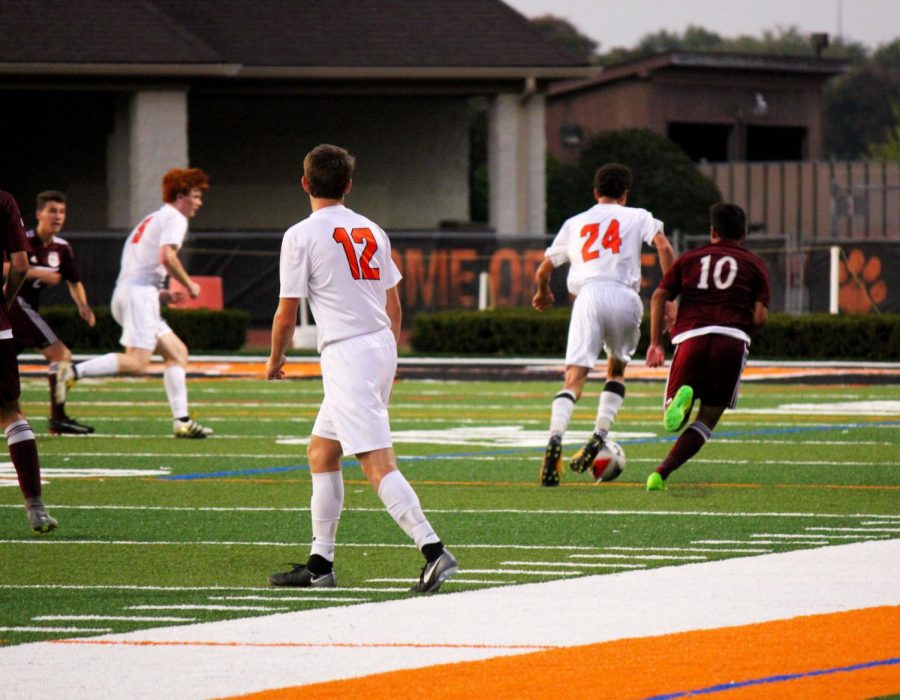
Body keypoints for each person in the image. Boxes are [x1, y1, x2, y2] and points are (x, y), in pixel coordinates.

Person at [266, 144, 457, 592]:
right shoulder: (372, 229)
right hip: (377, 347)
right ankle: (320, 565)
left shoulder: (301, 234)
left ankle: (433, 550)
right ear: (348, 186)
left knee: (376, 462)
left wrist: (275, 357)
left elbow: (286, 312)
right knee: (322, 452)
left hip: (348, 353)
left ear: (304, 183)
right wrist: (385, 357)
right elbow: (394, 304)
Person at [533, 163, 674, 487]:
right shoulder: (637, 215)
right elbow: (664, 247)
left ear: (595, 193)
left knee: (574, 380)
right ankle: (598, 436)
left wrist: (543, 293)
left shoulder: (575, 223)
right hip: (625, 296)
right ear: (625, 195)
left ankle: (555, 437)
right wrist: (670, 299)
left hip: (588, 298)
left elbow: (543, 271)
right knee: (616, 371)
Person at [55, 168, 214, 439]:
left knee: (177, 352)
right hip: (138, 295)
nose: (199, 202)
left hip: (131, 292)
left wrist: (160, 294)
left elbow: (142, 263)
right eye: (195, 196)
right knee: (138, 362)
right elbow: (167, 257)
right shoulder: (175, 217)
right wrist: (189, 284)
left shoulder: (152, 218)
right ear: (180, 196)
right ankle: (72, 372)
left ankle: (182, 422)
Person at [645, 202, 770, 490]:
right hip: (732, 340)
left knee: (671, 418)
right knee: (707, 420)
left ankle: (676, 403)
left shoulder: (691, 259)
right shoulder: (755, 265)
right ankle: (660, 473)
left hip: (691, 337)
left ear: (712, 230)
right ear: (744, 234)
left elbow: (659, 296)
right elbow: (760, 316)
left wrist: (655, 342)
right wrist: (741, 332)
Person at [3, 191, 96, 435]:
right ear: (39, 214)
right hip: (13, 304)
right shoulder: (24, 238)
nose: (58, 217)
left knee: (6, 376)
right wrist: (37, 272)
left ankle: (21, 422)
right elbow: (7, 267)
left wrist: (83, 306)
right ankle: (58, 418)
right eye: (52, 211)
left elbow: (74, 281)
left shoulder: (62, 249)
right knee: (60, 354)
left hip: (23, 312)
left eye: (62, 212)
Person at [0, 191, 57, 532]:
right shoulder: (5, 201)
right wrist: (3, 303)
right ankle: (35, 506)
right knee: (10, 411)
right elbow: (20, 265)